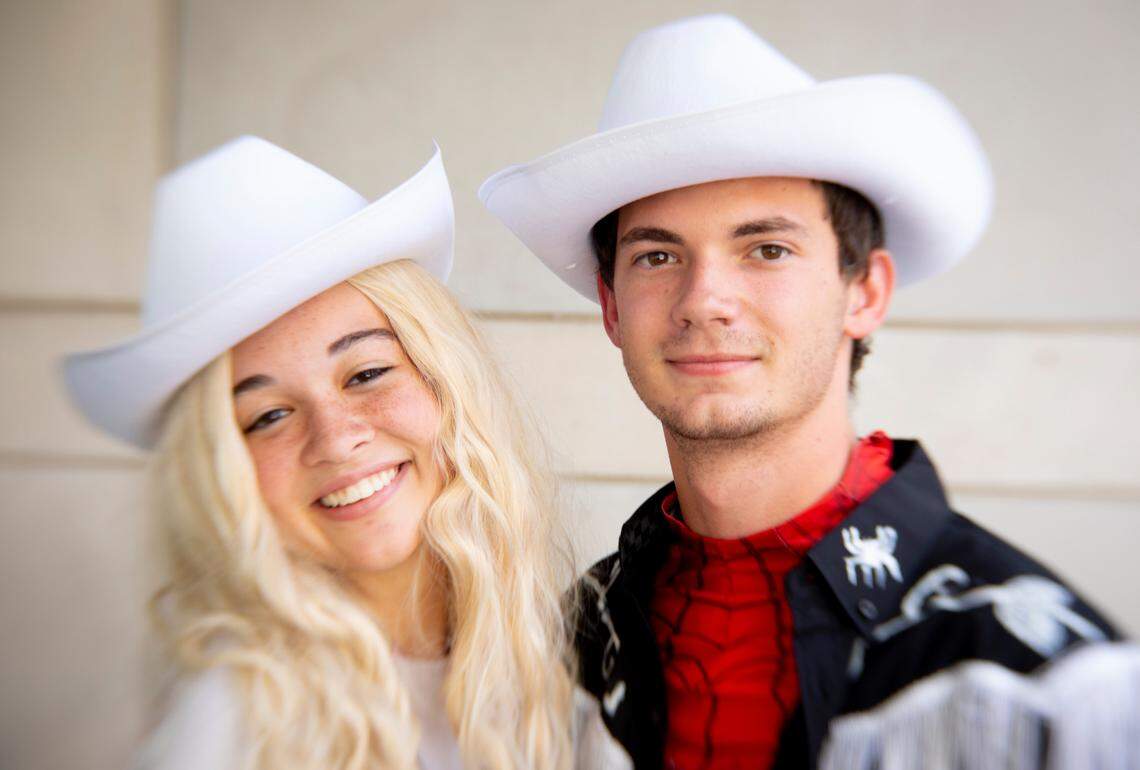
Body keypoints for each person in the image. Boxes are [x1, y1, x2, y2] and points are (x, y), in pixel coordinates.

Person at [479, 14, 1128, 770]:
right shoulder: (571, 645)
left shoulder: (1047, 676)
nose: (704, 299)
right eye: (657, 255)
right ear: (613, 307)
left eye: (767, 249)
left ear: (865, 291)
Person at [64, 137, 631, 770]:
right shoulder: (236, 723)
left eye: (365, 374)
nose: (334, 439)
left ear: (447, 384)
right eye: (269, 416)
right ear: (225, 474)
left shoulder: (556, 677)